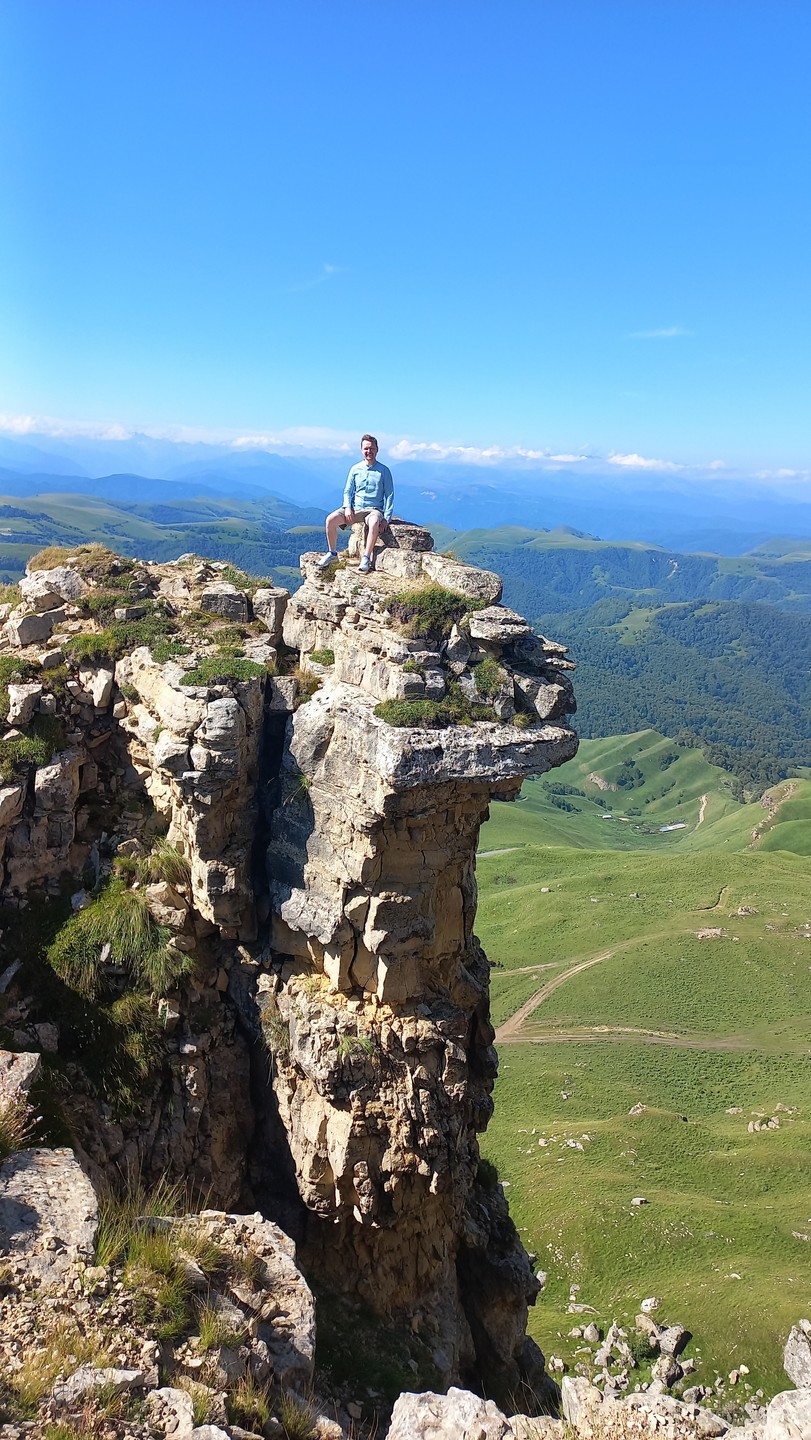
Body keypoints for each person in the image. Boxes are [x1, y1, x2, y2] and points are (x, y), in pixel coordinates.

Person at [318, 434, 394, 573]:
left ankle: (366, 557)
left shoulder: (384, 471)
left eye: (371, 448)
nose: (369, 451)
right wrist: (347, 507)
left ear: (377, 450)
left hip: (373, 509)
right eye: (366, 448)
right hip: (355, 508)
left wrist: (386, 518)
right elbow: (347, 491)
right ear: (361, 450)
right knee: (330, 520)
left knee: (374, 522)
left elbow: (389, 495)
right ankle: (332, 553)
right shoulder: (355, 469)